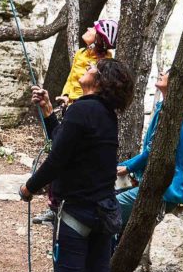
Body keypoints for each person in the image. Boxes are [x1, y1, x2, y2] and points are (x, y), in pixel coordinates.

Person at [19, 58, 134, 272]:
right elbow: (65, 143)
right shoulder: (103, 114)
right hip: (101, 212)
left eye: (93, 68)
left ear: (99, 79)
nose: (86, 69)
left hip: (78, 213)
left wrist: (30, 186)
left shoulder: (85, 110)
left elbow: (57, 159)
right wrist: (49, 112)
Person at [33, 19, 119, 226]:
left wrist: (75, 102)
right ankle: (54, 205)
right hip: (71, 106)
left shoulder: (103, 64)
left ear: (98, 38)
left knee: (64, 156)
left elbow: (93, 88)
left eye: (93, 28)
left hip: (83, 111)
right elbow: (73, 79)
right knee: (59, 148)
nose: (88, 28)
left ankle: (59, 207)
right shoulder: (82, 53)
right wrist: (65, 96)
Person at [116, 70, 183, 226]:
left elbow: (154, 149)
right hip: (164, 187)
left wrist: (128, 167)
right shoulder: (166, 110)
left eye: (169, 72)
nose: (162, 73)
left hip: (168, 189)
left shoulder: (175, 115)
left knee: (113, 207)